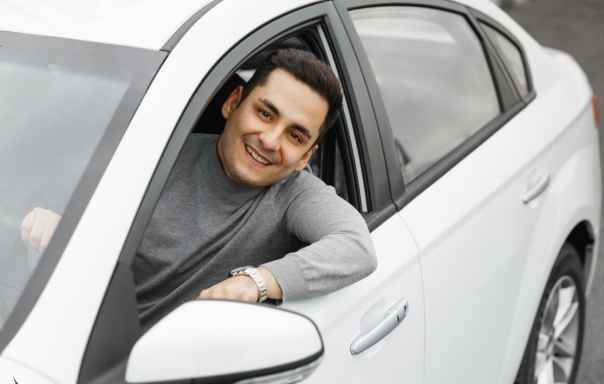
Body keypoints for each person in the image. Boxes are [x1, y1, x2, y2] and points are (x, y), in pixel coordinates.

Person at [21, 48, 377, 326]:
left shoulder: (294, 194)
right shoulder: (154, 156)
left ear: (305, 156)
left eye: (295, 136)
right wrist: (56, 226)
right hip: (71, 343)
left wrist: (255, 283)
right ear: (233, 103)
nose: (270, 141)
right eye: (265, 113)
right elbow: (73, 233)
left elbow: (356, 247)